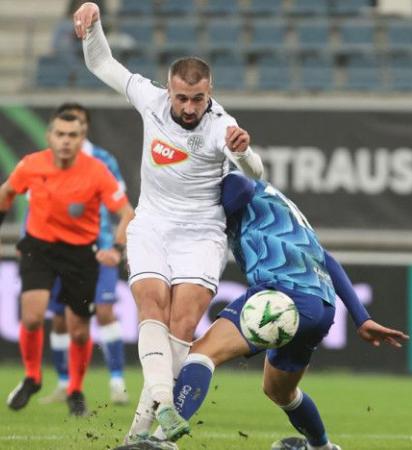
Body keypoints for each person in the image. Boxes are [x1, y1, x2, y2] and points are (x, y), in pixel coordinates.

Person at [73, 2, 265, 443]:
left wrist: (246, 151)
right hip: (153, 224)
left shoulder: (222, 125)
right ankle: (163, 405)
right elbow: (101, 61)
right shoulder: (150, 99)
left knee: (182, 326)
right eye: (182, 97)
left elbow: (255, 173)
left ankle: (139, 433)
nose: (190, 106)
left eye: (199, 98)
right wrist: (93, 21)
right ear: (170, 90)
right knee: (151, 305)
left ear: (210, 92)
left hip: (201, 233)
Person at [115, 171, 409, 450]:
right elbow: (325, 257)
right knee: (279, 390)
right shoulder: (279, 203)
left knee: (200, 354)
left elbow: (239, 186)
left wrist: (205, 209)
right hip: (320, 306)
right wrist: (361, 317)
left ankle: (163, 440)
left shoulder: (224, 183)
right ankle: (321, 446)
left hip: (281, 292)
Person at [1, 111, 134, 416]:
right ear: (50, 137)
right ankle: (33, 377)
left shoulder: (97, 171)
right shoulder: (31, 165)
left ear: (81, 139)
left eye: (72, 135)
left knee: (78, 331)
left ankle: (75, 389)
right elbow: (7, 192)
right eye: (60, 134)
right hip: (39, 247)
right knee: (32, 317)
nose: (65, 141)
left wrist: (115, 248)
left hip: (80, 253)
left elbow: (127, 212)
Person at [39, 103, 130, 406]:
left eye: (76, 123)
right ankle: (65, 384)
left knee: (104, 312)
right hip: (58, 251)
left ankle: (117, 381)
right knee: (61, 319)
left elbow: (120, 205)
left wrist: (116, 245)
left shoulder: (103, 161)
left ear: (85, 127)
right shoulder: (47, 162)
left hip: (98, 248)